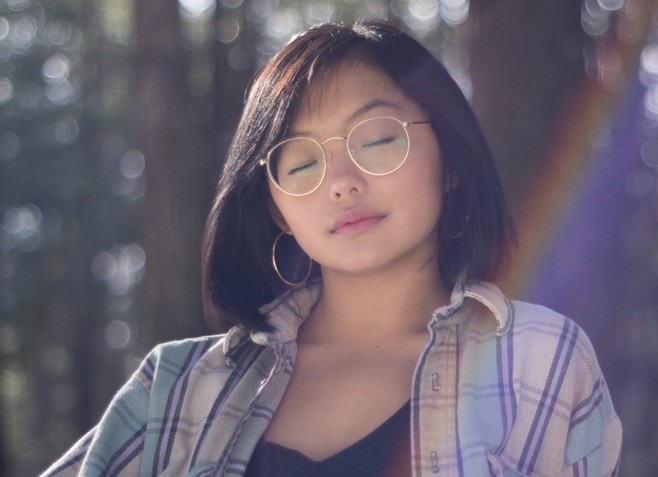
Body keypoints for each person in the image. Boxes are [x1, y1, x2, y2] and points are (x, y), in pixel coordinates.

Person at [42, 20, 622, 477]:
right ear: (276, 209)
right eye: (302, 161)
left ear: (448, 157)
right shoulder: (175, 391)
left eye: (376, 140)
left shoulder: (540, 362)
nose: (341, 180)